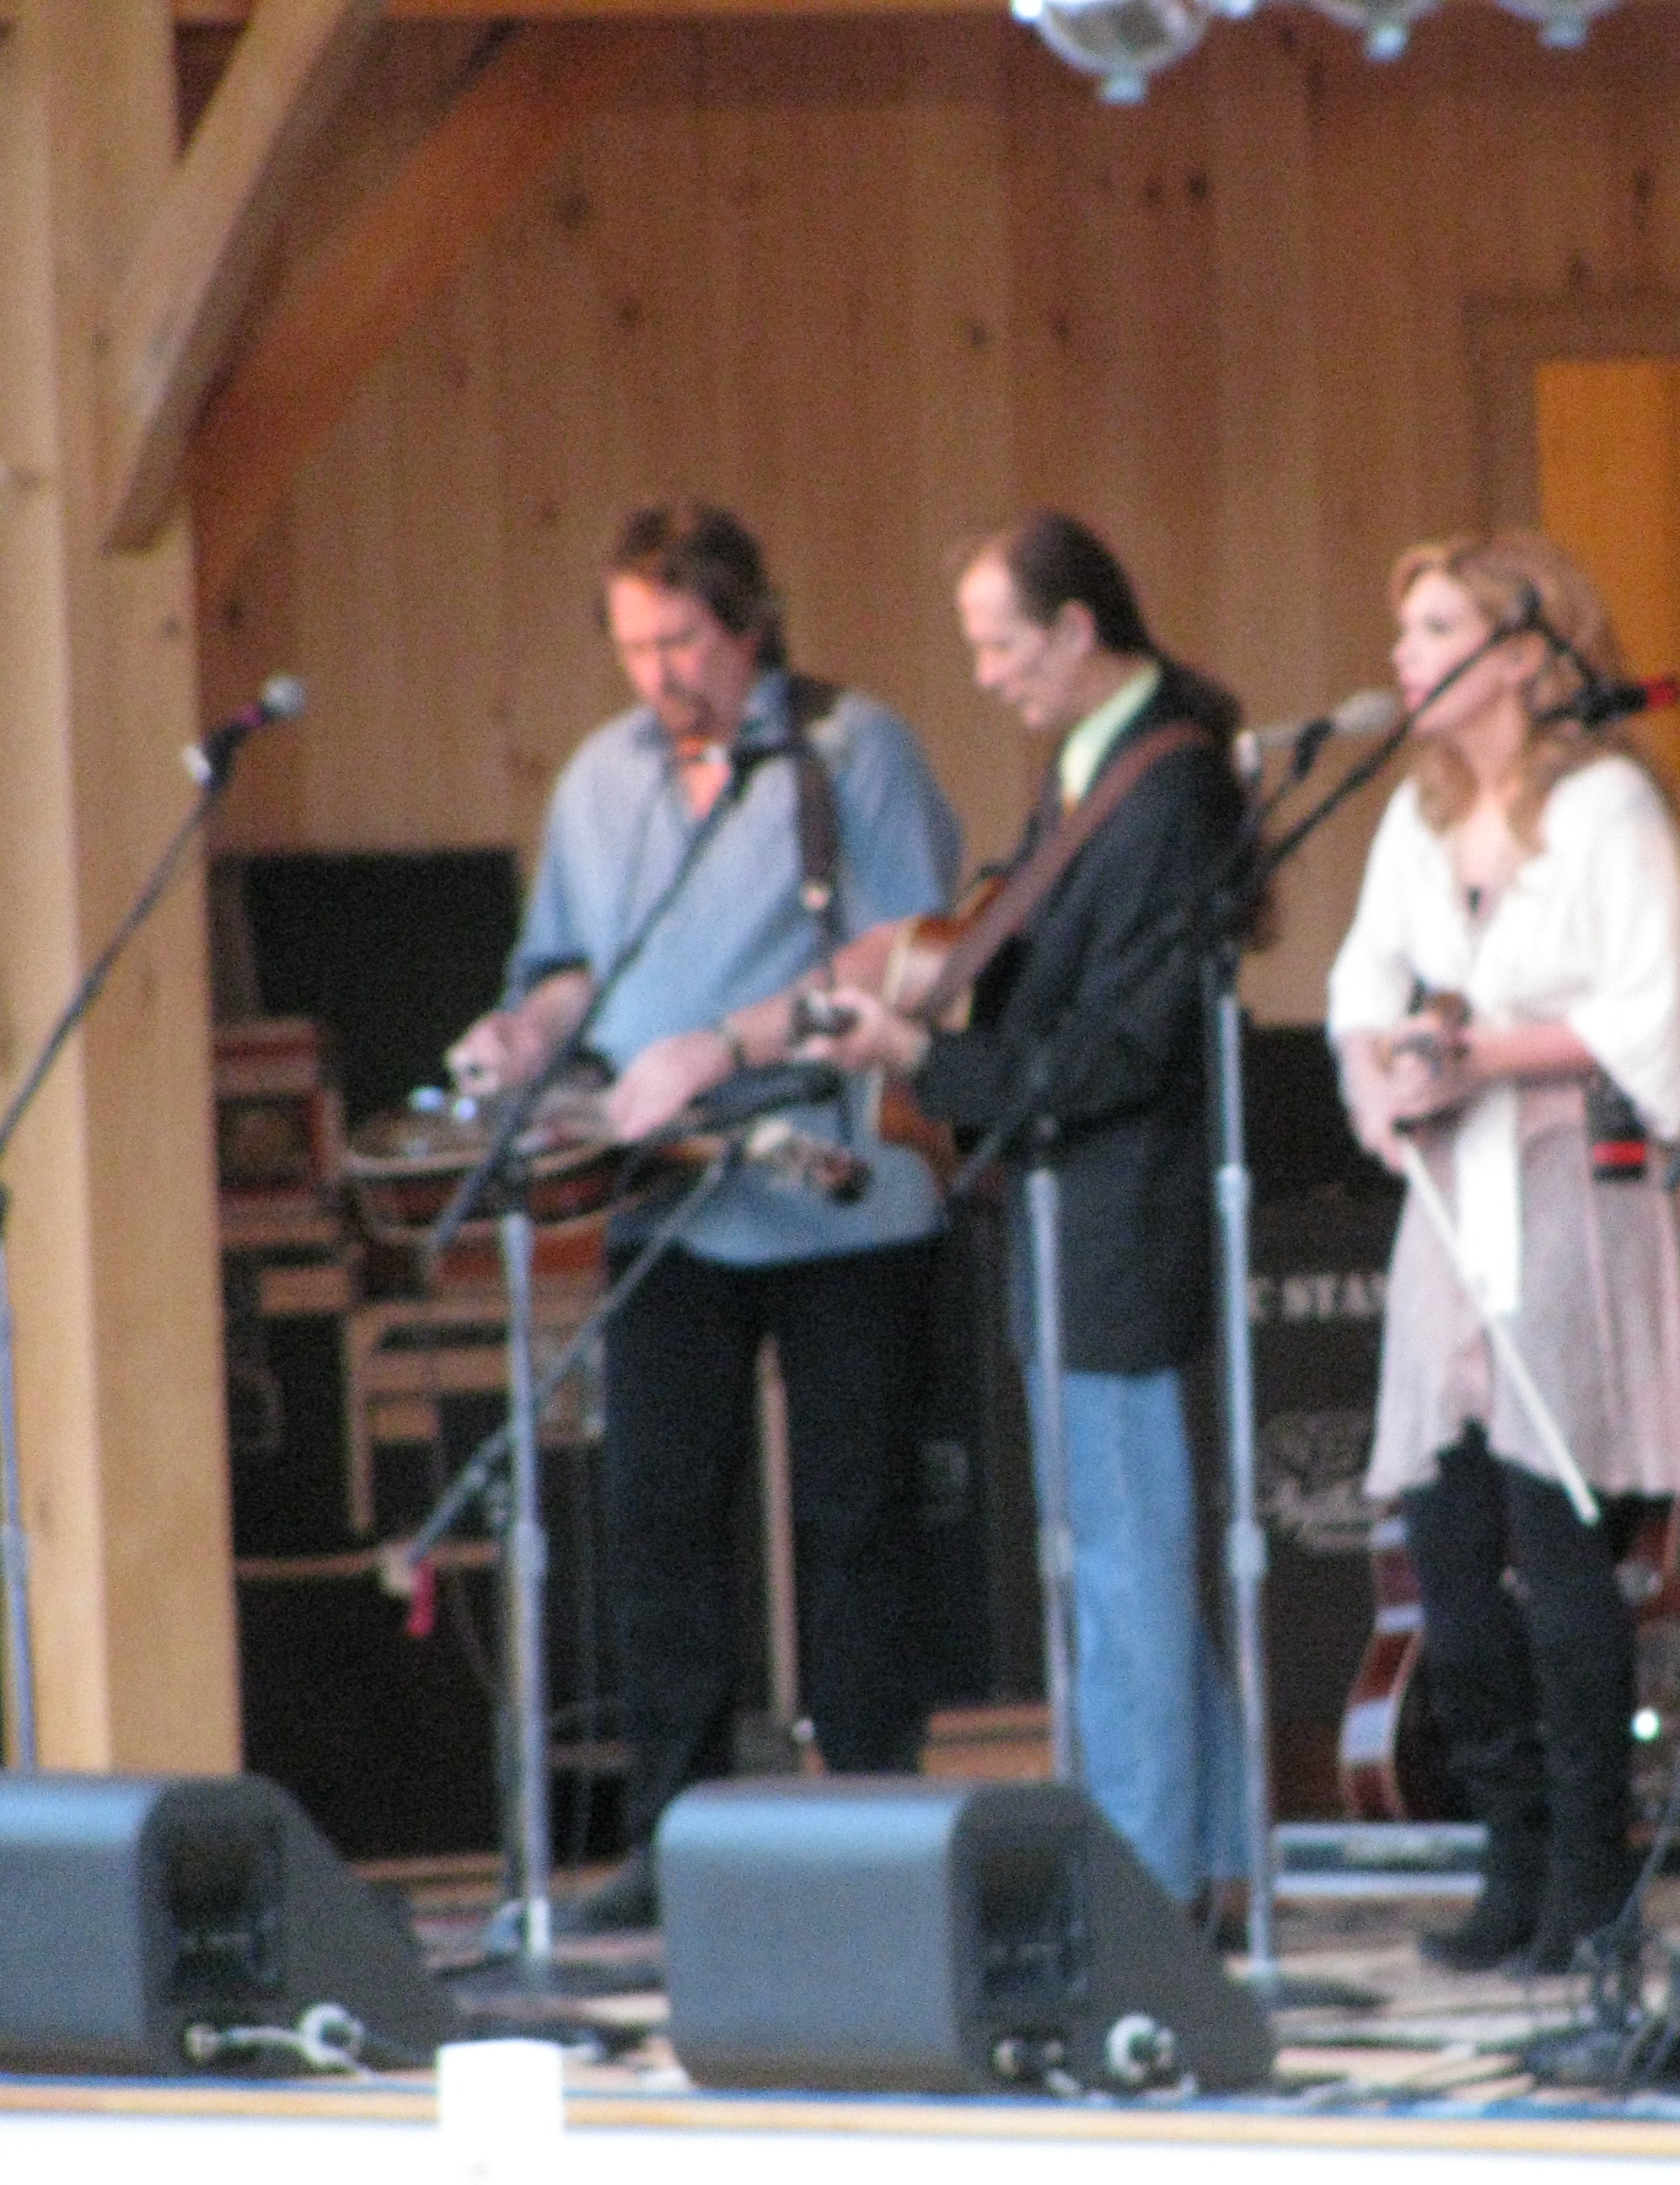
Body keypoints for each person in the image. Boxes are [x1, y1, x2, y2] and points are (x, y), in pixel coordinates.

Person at [448, 503, 963, 1928]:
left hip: (843, 1191)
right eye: (633, 646)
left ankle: (877, 1827)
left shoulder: (855, 750)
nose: (657, 673)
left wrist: (725, 1044)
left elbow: (911, 948)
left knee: (858, 1517)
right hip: (667, 1198)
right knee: (660, 1515)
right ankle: (674, 1835)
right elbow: (569, 964)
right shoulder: (600, 777)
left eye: (680, 640)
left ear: (748, 625)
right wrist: (525, 1032)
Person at [801, 511, 1250, 1916]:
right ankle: (1207, 1856)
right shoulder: (1096, 768)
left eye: (1003, 647)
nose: (986, 676)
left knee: (1123, 1571)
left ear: (1075, 629)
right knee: (1125, 1566)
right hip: (1069, 1216)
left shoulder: (1163, 788)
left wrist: (923, 1060)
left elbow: (1124, 1051)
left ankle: (1141, 1889)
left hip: (1118, 1222)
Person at [1326, 531, 1680, 1975]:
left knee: (1557, 1550)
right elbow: (1361, 984)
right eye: (1405, 629)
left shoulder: (1609, 807)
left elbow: (1655, 1016)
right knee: (1445, 1545)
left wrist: (1481, 1053)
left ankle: (1591, 1879)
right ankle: (1508, 1856)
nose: (1406, 656)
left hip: (1567, 1187)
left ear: (1521, 652)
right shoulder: (1416, 815)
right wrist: (1380, 1079)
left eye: (1435, 629)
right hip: (1448, 1197)